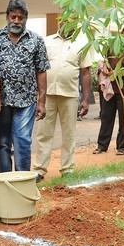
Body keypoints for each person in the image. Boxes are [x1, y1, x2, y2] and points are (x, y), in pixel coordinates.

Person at [0, 0, 49, 172]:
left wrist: (42, 101)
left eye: (20, 17)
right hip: (2, 101)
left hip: (26, 101)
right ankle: (5, 182)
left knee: (23, 140)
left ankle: (22, 180)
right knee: (3, 143)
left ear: (26, 18)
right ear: (7, 17)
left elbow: (41, 71)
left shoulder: (36, 40)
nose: (16, 21)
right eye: (13, 17)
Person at [33, 25, 91, 181]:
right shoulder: (46, 41)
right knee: (44, 133)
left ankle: (67, 169)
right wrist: (39, 95)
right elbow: (39, 67)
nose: (68, 24)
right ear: (60, 21)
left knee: (69, 133)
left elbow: (85, 72)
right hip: (48, 94)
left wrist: (86, 99)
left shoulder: (82, 43)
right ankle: (39, 169)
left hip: (70, 94)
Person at [94, 54, 124, 156]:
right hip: (111, 88)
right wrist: (104, 68)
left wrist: (119, 72)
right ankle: (102, 145)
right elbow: (105, 61)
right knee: (106, 117)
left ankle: (122, 146)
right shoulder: (110, 45)